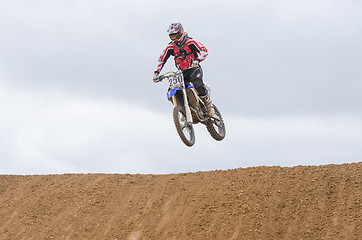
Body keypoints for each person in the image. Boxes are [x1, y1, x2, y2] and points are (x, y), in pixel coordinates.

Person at [153, 22, 215, 116]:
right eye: (172, 36)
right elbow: (161, 59)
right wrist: (156, 73)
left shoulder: (190, 42)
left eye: (176, 35)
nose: (175, 38)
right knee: (172, 90)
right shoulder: (170, 47)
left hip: (194, 68)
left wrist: (197, 60)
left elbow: (204, 50)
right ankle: (184, 110)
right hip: (181, 73)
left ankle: (208, 104)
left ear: (181, 32)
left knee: (197, 83)